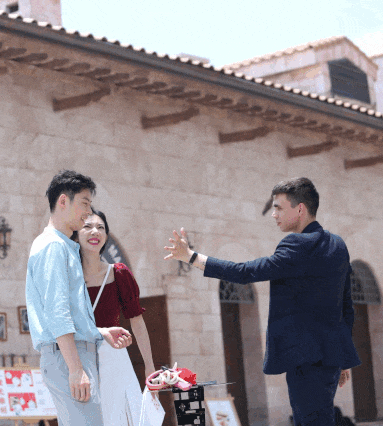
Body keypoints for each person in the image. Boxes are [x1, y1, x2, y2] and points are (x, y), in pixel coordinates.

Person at [164, 177, 361, 426]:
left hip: (305, 361)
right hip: (329, 359)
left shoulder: (297, 244)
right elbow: (346, 306)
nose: (274, 214)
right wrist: (342, 358)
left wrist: (192, 257)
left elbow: (245, 272)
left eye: (279, 207)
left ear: (300, 209)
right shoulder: (337, 245)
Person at [26, 170, 133, 425]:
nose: (88, 212)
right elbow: (57, 311)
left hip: (70, 355)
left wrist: (99, 332)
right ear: (63, 201)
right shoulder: (54, 246)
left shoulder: (60, 246)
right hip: (69, 358)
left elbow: (66, 311)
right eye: (84, 203)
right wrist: (75, 368)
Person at [76, 209, 158, 425]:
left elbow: (137, 320)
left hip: (113, 358)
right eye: (87, 226)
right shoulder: (68, 276)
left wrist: (149, 366)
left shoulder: (119, 273)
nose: (95, 231)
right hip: (79, 357)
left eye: (100, 227)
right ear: (75, 234)